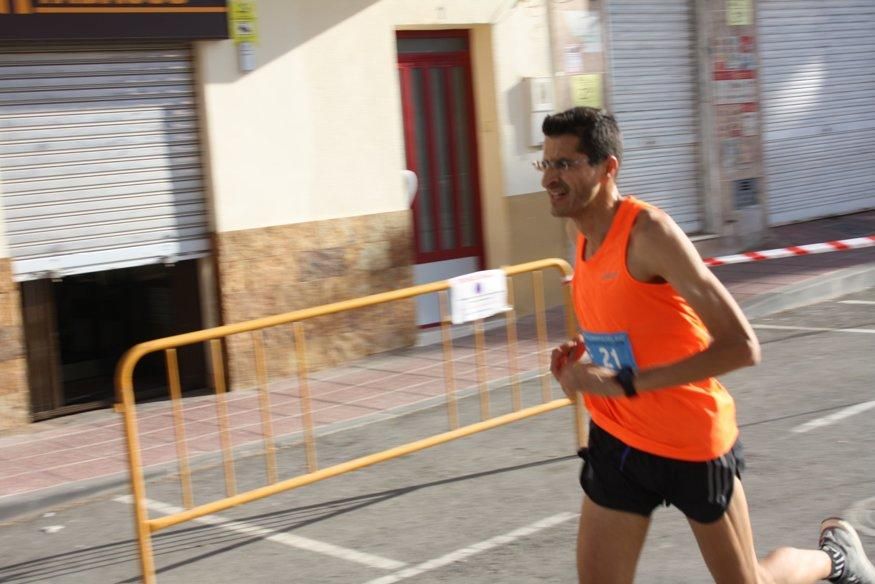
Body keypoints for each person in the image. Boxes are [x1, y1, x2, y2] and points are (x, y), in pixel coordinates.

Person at [541, 106, 875, 584]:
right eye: (547, 164)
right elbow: (632, 330)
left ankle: (837, 558)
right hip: (620, 441)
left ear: (607, 167)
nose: (550, 179)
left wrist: (626, 382)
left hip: (692, 443)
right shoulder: (581, 237)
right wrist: (581, 367)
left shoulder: (649, 234)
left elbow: (742, 346)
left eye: (565, 164)